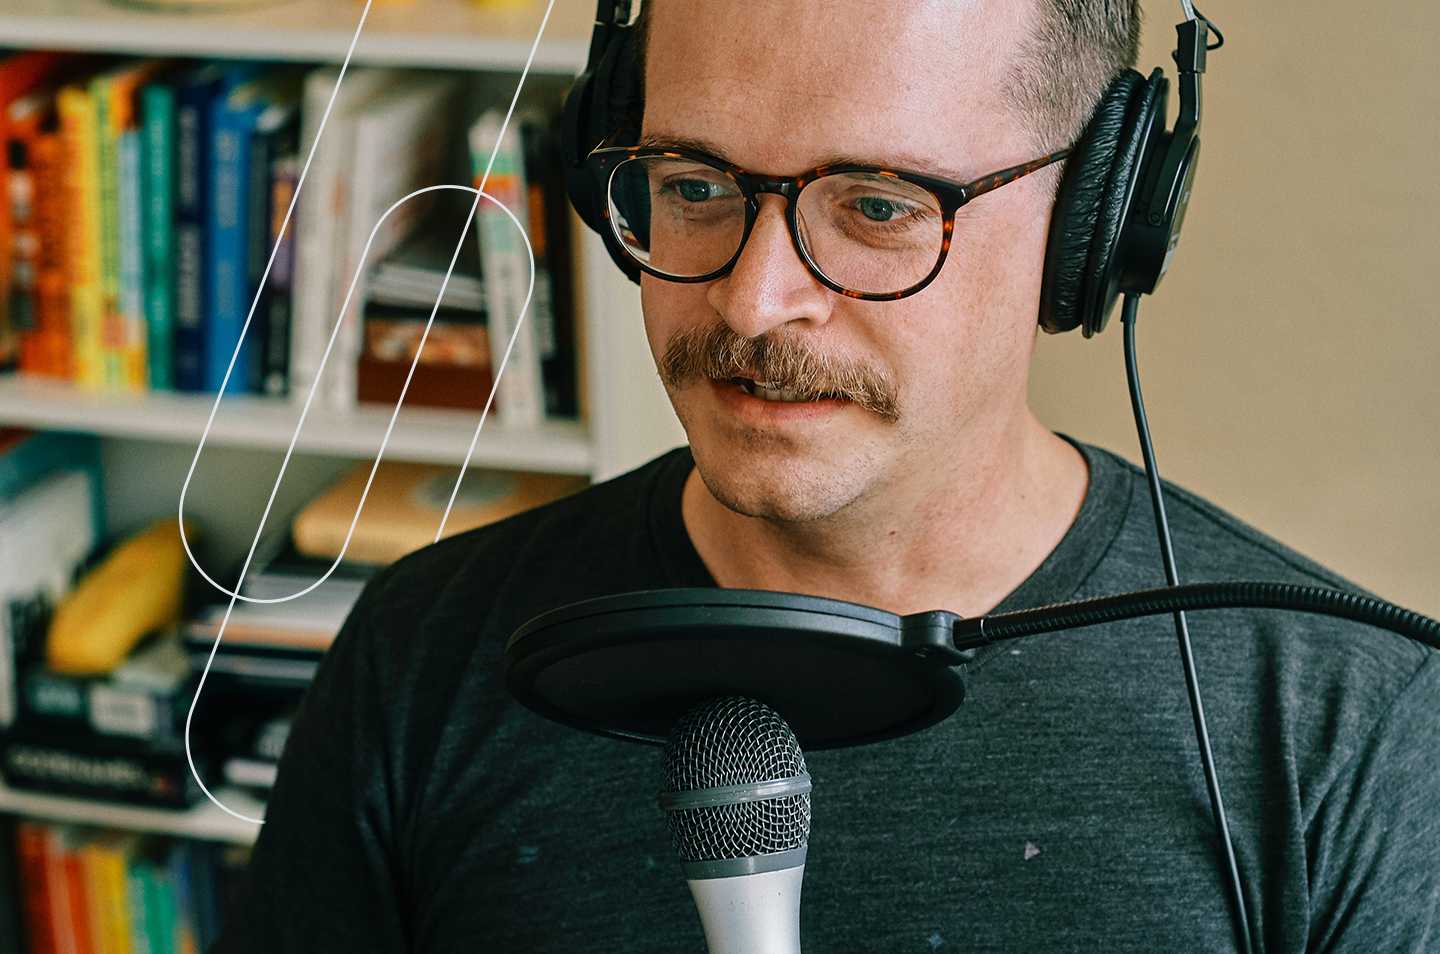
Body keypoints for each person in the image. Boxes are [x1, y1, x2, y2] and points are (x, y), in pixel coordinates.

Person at [212, 1, 1439, 951]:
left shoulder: (1353, 730)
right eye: (694, 186)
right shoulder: (422, 652)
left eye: (879, 206)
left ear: (1097, 223)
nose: (754, 300)